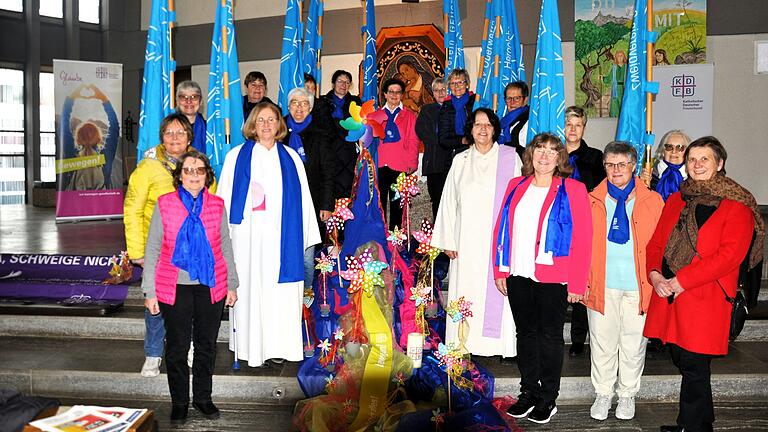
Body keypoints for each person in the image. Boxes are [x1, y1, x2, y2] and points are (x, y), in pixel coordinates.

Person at [644, 136, 764, 432]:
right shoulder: (676, 198)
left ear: (720, 164)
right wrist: (655, 275)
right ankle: (697, 420)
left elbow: (729, 256)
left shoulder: (737, 204)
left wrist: (681, 281)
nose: (696, 165)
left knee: (695, 364)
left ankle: (694, 426)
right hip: (669, 293)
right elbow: (656, 243)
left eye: (704, 159)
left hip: (704, 296)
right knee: (681, 359)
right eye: (692, 159)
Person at [492, 133, 592, 424]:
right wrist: (500, 269)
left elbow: (584, 239)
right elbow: (502, 229)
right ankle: (528, 392)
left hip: (554, 275)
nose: (545, 156)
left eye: (552, 151)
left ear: (560, 158)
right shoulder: (516, 185)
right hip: (519, 272)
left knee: (549, 336)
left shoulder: (573, 189)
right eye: (540, 150)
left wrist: (577, 282)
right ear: (531, 155)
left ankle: (548, 397)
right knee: (525, 334)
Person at [217, 102, 321, 367]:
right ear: (252, 124)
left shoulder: (291, 158)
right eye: (260, 120)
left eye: (271, 120)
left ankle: (279, 347)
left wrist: (305, 236)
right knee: (251, 292)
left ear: (279, 125)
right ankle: (252, 349)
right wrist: (223, 237)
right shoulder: (235, 157)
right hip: (247, 241)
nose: (265, 125)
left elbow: (305, 201)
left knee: (280, 295)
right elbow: (225, 200)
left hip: (282, 240)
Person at [142, 150, 238, 424]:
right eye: (188, 170)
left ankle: (203, 399)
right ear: (179, 176)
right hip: (174, 286)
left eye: (199, 170)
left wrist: (231, 283)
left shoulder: (217, 205)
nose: (194, 175)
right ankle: (180, 402)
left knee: (207, 346)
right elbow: (153, 249)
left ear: (207, 175)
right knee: (177, 347)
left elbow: (225, 246)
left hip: (211, 284)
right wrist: (150, 290)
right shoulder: (165, 204)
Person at [432, 108, 521, 360]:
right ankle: (464, 341)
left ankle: (496, 346)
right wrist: (447, 240)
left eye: (488, 125)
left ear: (495, 129)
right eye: (477, 124)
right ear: (470, 130)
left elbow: (518, 202)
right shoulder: (460, 160)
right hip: (466, 241)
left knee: (496, 292)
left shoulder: (510, 158)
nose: (483, 129)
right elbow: (449, 201)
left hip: (498, 242)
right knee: (466, 291)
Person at [584, 142, 664, 421]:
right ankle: (603, 393)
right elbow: (580, 244)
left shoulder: (652, 200)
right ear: (604, 166)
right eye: (610, 164)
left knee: (633, 344)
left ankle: (627, 394)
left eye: (622, 164)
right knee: (602, 343)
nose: (616, 170)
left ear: (633, 166)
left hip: (638, 285)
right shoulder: (591, 198)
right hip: (601, 283)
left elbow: (660, 244)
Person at [125, 112, 195, 378]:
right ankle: (153, 354)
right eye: (169, 133)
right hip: (157, 249)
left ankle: (185, 347)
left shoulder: (197, 162)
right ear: (162, 138)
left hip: (190, 248)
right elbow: (132, 208)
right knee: (155, 303)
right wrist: (137, 251)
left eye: (180, 132)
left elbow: (210, 201)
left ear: (189, 137)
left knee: (188, 302)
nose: (175, 137)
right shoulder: (148, 167)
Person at [563, 105, 606, 357]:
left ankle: (579, 337)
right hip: (558, 225)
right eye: (569, 124)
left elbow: (601, 190)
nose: (573, 129)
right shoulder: (553, 154)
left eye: (577, 125)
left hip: (584, 224)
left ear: (584, 128)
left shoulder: (595, 157)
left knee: (581, 280)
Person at [283, 87, 335, 289]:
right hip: (283, 205)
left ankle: (306, 296)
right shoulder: (277, 133)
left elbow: (328, 173)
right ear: (288, 106)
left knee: (306, 256)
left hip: (311, 204)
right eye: (295, 103)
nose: (299, 108)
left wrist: (326, 204)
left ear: (311, 108)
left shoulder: (320, 134)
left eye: (304, 103)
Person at [370, 78, 419, 230]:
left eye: (398, 92)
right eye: (391, 91)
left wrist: (412, 163)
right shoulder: (375, 115)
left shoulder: (409, 115)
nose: (394, 95)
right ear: (384, 94)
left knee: (397, 205)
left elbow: (413, 140)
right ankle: (381, 240)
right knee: (379, 205)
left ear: (402, 95)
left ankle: (396, 242)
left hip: (400, 165)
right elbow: (370, 141)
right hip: (379, 165)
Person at [436, 68, 474, 212]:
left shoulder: (476, 102)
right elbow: (443, 138)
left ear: (467, 84)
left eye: (460, 82)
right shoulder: (446, 106)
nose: (457, 86)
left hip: (475, 154)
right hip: (453, 156)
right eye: (452, 83)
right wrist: (462, 141)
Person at [320, 70, 363, 199]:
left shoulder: (356, 102)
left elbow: (359, 126)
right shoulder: (323, 102)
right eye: (340, 81)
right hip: (329, 151)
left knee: (348, 191)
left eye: (347, 82)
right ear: (333, 83)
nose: (343, 85)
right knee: (329, 190)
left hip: (348, 151)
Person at [416, 77, 449, 219]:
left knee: (451, 201)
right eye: (436, 90)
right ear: (432, 93)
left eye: (443, 89)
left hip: (451, 161)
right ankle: (437, 235)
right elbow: (420, 130)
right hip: (433, 161)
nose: (440, 93)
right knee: (436, 199)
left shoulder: (454, 108)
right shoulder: (427, 110)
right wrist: (441, 141)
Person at [641, 130, 692, 201]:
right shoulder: (650, 174)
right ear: (663, 151)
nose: (674, 151)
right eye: (669, 147)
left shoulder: (693, 177)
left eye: (679, 147)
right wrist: (640, 184)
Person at [499, 81, 530, 157]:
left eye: (517, 98)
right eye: (509, 98)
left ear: (525, 100)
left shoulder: (529, 122)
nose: (512, 102)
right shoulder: (504, 122)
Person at [176, 80, 206, 153]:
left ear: (200, 101)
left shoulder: (209, 130)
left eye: (194, 97)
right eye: (183, 97)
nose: (189, 101)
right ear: (177, 101)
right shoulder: (168, 129)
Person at [604, 50, 627, 118]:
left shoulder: (627, 67)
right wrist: (603, 78)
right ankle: (615, 117)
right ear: (616, 58)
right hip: (616, 88)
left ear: (624, 57)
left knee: (624, 102)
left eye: (621, 56)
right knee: (615, 103)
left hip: (624, 88)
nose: (620, 57)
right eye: (618, 56)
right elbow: (609, 77)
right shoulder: (614, 67)